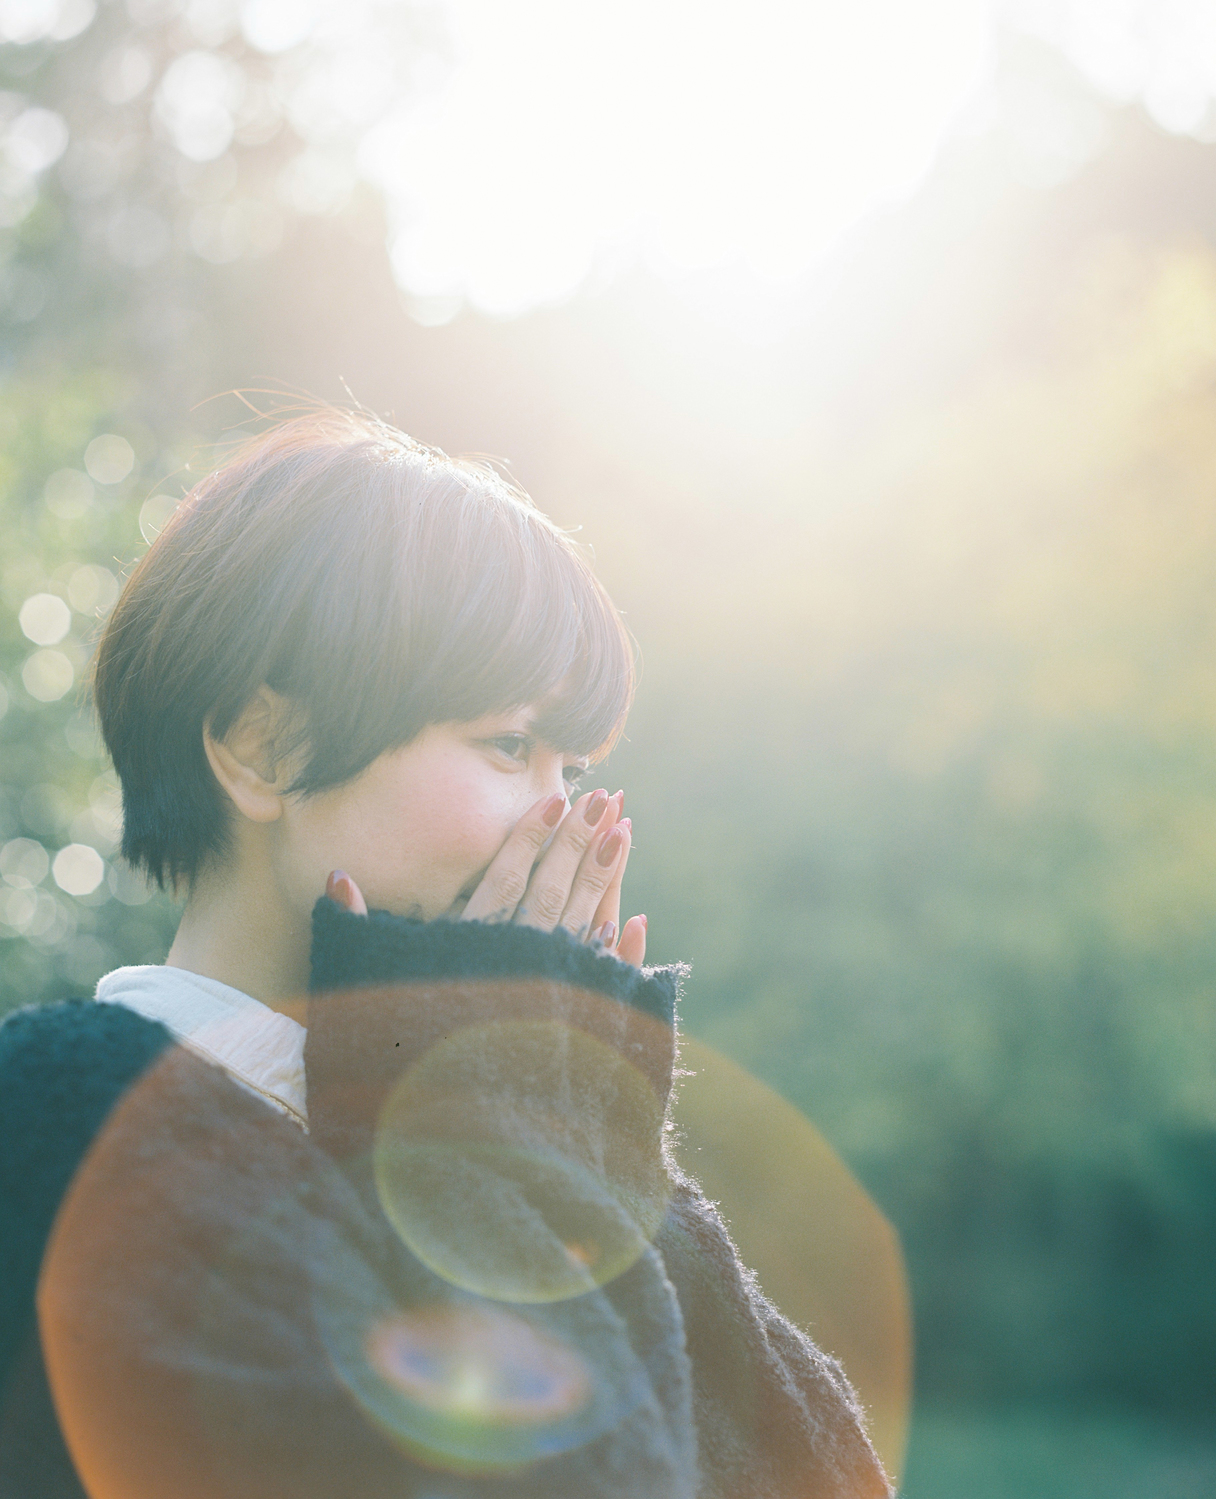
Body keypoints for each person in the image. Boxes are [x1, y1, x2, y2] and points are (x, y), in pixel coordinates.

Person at [0, 409, 891, 1498]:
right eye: (510, 743)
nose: (560, 816)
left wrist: (574, 1118)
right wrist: (490, 1091)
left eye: (574, 763)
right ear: (262, 746)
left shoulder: (487, 1102)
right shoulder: (65, 1122)